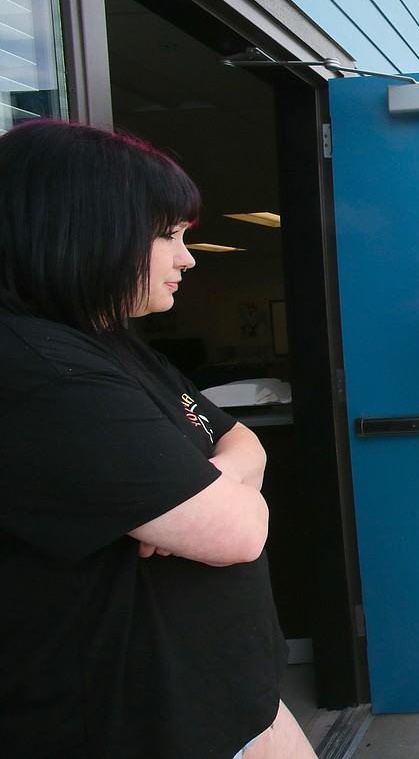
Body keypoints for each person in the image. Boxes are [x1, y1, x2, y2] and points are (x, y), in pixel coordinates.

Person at [0, 120, 316, 759]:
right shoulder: (41, 369)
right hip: (134, 721)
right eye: (167, 235)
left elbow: (243, 442)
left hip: (226, 698)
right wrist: (216, 501)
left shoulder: (110, 345)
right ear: (85, 230)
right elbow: (237, 534)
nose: (187, 258)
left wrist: (199, 495)